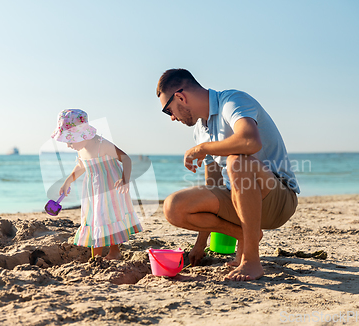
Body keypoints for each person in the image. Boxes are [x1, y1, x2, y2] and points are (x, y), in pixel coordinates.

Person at [157, 69, 300, 281]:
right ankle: (245, 235)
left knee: (237, 161)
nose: (171, 118)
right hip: (239, 200)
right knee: (173, 207)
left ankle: (251, 260)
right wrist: (200, 245)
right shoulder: (200, 130)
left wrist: (206, 148)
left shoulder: (232, 101)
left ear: (180, 97)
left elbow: (250, 141)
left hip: (278, 198)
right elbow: (212, 185)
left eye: (168, 110)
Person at [51, 109, 143, 260]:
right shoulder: (81, 148)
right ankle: (99, 256)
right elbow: (81, 166)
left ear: (82, 135)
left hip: (110, 187)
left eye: (70, 140)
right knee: (94, 219)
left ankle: (110, 253)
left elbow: (126, 159)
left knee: (107, 218)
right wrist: (68, 181)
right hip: (92, 189)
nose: (68, 145)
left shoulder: (102, 144)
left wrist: (125, 179)